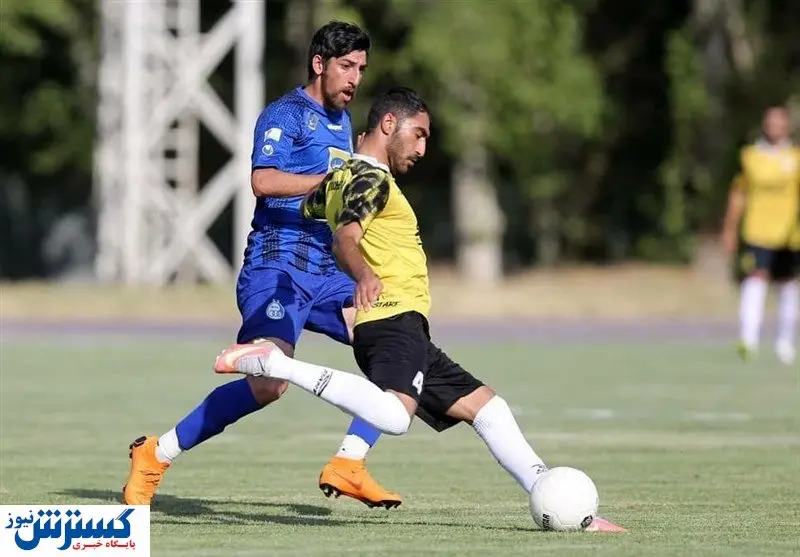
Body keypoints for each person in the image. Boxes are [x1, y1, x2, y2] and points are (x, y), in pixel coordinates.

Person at [214, 87, 625, 532]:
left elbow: (317, 206)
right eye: (420, 134)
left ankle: (550, 491)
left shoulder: (349, 177)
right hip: (391, 320)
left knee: (488, 409)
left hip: (402, 323)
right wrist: (363, 273)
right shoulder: (371, 179)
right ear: (389, 123)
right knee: (394, 416)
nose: (423, 148)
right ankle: (277, 364)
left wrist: (341, 175)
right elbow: (345, 238)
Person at [123, 21, 402, 510]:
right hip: (278, 267)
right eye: (346, 66)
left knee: (391, 346)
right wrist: (331, 180)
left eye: (361, 68)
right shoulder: (284, 115)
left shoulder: (342, 121)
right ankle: (155, 454)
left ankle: (350, 462)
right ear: (319, 64)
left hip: (326, 272)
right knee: (268, 385)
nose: (355, 77)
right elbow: (263, 181)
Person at [722, 105, 800, 365]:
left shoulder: (796, 157)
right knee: (756, 279)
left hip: (789, 235)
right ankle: (748, 340)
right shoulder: (750, 156)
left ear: (787, 126)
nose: (775, 127)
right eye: (771, 122)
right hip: (758, 231)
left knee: (787, 284)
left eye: (780, 122)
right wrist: (730, 228)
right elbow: (738, 194)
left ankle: (785, 342)